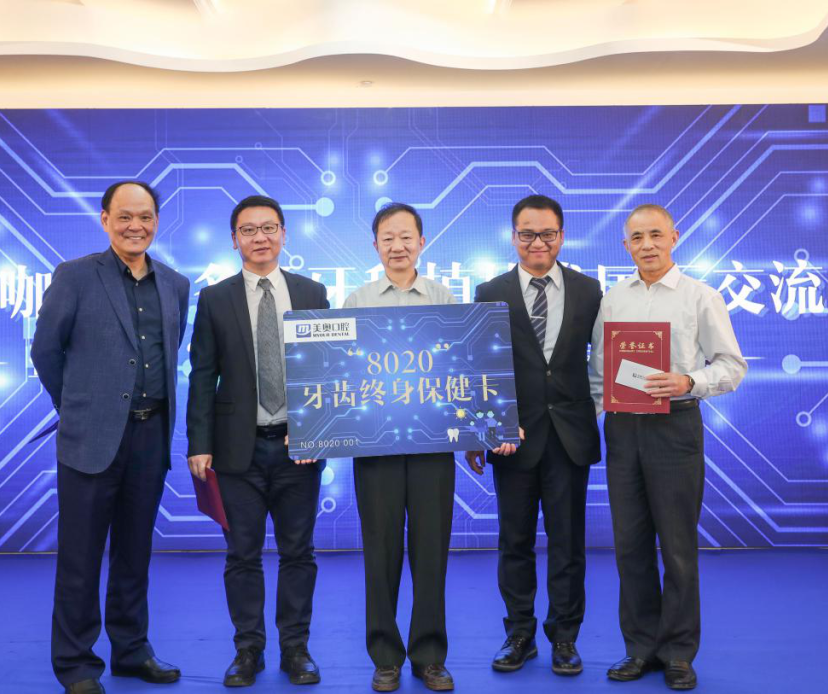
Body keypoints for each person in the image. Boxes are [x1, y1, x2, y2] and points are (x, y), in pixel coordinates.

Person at [32, 180, 190, 694]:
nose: (135, 226)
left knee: (134, 553)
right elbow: (45, 351)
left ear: (157, 222)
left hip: (150, 436)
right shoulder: (76, 276)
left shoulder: (175, 284)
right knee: (80, 558)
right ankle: (76, 664)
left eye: (145, 217)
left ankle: (131, 650)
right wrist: (79, 407)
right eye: (124, 216)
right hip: (90, 438)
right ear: (105, 220)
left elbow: (169, 354)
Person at [589, 203, 747, 690]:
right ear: (625, 246)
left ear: (674, 238)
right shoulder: (613, 299)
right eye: (637, 238)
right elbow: (599, 372)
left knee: (677, 547)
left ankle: (678, 652)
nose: (647, 245)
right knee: (629, 545)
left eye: (656, 235)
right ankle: (639, 648)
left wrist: (688, 381)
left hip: (675, 427)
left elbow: (732, 366)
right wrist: (593, 417)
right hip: (623, 430)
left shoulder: (701, 296)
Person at [186, 194, 329, 687]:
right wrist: (198, 442)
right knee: (242, 555)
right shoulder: (215, 299)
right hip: (235, 450)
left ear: (284, 234)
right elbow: (202, 375)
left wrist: (319, 431)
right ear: (234, 240)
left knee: (298, 553)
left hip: (298, 447)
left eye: (269, 227)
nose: (260, 237)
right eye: (249, 230)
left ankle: (296, 649)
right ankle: (248, 650)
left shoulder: (312, 292)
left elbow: (328, 369)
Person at [466, 194, 602, 677]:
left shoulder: (589, 291)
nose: (537, 242)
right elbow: (479, 366)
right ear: (513, 237)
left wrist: (594, 412)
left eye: (546, 233)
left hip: (569, 437)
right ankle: (519, 634)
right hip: (513, 438)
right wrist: (480, 430)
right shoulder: (490, 291)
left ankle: (565, 637)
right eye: (527, 234)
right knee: (515, 541)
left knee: (568, 543)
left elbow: (602, 363)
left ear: (561, 236)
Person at [344, 203, 458, 692]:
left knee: (431, 551)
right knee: (381, 551)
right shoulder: (357, 300)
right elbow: (339, 372)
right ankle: (385, 655)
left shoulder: (444, 298)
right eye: (388, 238)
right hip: (375, 446)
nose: (398, 246)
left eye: (406, 237)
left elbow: (461, 369)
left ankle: (430, 656)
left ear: (422, 243)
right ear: (375, 246)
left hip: (433, 446)